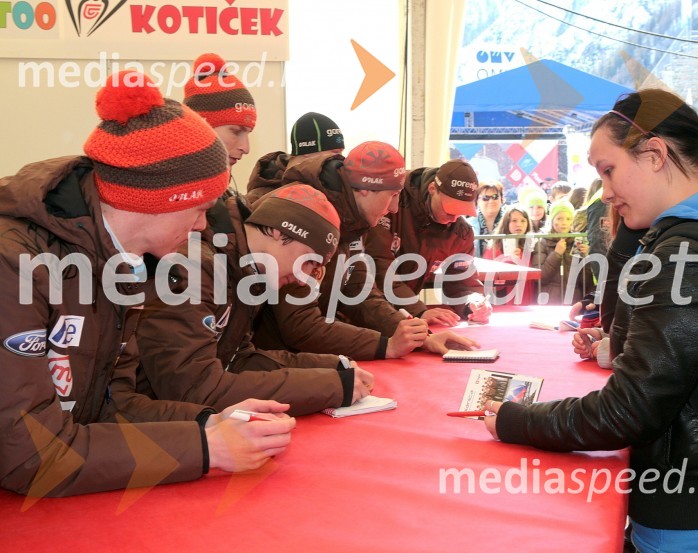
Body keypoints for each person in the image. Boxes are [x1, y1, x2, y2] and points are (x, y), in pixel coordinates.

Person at [483, 88, 698, 552]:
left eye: (609, 170)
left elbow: (628, 409)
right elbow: (628, 347)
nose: (606, 190)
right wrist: (629, 240)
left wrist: (516, 420)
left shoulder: (686, 252)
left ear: (655, 154)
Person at [0, 71, 293, 497]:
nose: (200, 228)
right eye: (200, 209)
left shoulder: (121, 262)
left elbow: (112, 404)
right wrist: (206, 449)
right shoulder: (15, 264)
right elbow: (30, 455)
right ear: (160, 199)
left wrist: (209, 421)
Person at [110, 184, 375, 420]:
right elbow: (196, 388)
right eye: (308, 262)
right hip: (143, 423)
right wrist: (330, 387)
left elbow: (238, 358)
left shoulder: (246, 269)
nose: (304, 279)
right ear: (276, 230)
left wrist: (331, 367)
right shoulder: (196, 268)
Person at [251, 142, 478, 359]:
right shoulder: (309, 212)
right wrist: (385, 345)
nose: (394, 208)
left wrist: (419, 337)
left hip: (287, 355)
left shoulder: (353, 221)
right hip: (265, 357)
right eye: (392, 195)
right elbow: (301, 325)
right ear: (367, 190)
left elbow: (359, 289)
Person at [364, 159, 493, 326]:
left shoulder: (461, 232)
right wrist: (419, 310)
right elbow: (379, 267)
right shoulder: (393, 202)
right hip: (363, 307)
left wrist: (473, 302)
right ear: (432, 189)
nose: (453, 218)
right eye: (449, 209)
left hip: (402, 313)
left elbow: (461, 282)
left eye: (461, 211)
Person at [183, 53, 257, 179]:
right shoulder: (169, 192)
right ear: (202, 127)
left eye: (248, 133)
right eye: (236, 131)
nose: (246, 148)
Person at [247, 112, 345, 204]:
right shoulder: (259, 200)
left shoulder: (327, 186)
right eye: (335, 152)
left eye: (341, 152)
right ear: (308, 150)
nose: (340, 158)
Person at [534, 201, 590, 305]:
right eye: (559, 218)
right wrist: (556, 254)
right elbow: (540, 277)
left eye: (568, 219)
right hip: (549, 300)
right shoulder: (542, 242)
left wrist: (587, 259)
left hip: (573, 300)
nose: (564, 222)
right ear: (552, 220)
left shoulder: (577, 242)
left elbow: (585, 281)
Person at [466, 181, 504, 257]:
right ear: (477, 200)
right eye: (485, 198)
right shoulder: (466, 225)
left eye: (495, 197)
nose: (491, 201)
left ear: (501, 199)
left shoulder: (510, 220)